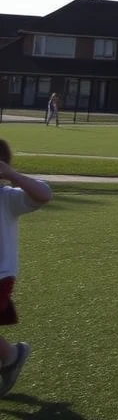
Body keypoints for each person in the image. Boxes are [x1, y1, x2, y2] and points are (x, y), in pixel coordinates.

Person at [0, 139, 52, 399]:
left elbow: (44, 194)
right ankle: (11, 357)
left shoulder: (7, 198)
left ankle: (11, 355)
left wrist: (12, 175)